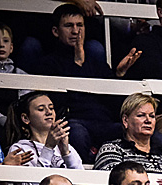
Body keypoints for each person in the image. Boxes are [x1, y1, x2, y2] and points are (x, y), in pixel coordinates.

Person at [35, 3, 141, 162]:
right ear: (56, 31)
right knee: (76, 132)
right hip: (74, 122)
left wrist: (119, 75)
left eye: (80, 25)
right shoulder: (48, 63)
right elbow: (58, 102)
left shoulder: (95, 60)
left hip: (103, 122)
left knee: (135, 130)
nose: (75, 31)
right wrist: (77, 63)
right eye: (69, 26)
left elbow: (114, 103)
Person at [94, 92, 162, 185]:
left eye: (152, 116)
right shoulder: (112, 149)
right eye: (141, 115)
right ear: (125, 121)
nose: (148, 120)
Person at [5, 91, 84, 185]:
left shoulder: (65, 146)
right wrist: (48, 148)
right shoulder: (20, 149)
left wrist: (66, 154)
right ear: (26, 118)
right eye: (41, 109)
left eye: (51, 108)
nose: (49, 112)